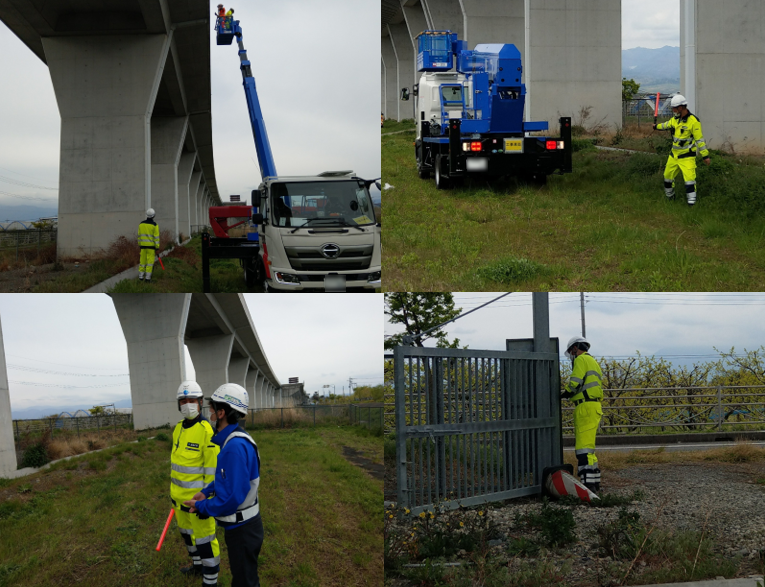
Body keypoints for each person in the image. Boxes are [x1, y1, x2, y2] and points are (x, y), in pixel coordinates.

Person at [184, 384, 263, 587]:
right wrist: (206, 491)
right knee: (245, 577)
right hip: (246, 524)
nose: (209, 415)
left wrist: (201, 506)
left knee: (245, 581)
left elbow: (230, 500)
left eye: (212, 410)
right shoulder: (237, 440)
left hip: (242, 530)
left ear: (221, 413)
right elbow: (226, 478)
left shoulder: (233, 448)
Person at [171, 381, 221, 587]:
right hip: (179, 501)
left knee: (205, 541)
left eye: (192, 400)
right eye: (183, 401)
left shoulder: (206, 431)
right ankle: (197, 566)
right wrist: (174, 496)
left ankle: (210, 581)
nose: (187, 404)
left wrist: (207, 502)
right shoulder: (177, 429)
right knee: (188, 537)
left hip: (199, 503)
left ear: (200, 403)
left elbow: (213, 472)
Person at [561, 336, 603, 493]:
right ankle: (594, 483)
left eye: (571, 351)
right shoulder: (592, 361)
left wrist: (566, 393)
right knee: (590, 448)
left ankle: (587, 485)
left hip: (584, 406)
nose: (571, 354)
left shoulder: (580, 360)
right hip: (594, 406)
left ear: (575, 348)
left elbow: (575, 382)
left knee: (583, 448)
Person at [653, 94, 711, 206]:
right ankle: (670, 199)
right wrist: (656, 127)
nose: (673, 110)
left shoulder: (694, 121)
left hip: (687, 157)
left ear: (681, 107)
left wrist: (705, 156)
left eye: (675, 108)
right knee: (667, 178)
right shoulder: (675, 120)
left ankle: (692, 204)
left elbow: (700, 140)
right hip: (673, 156)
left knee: (689, 181)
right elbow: (666, 125)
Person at [137, 208, 160, 282]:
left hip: (143, 247)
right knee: (149, 263)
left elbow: (139, 236)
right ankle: (147, 278)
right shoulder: (155, 225)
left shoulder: (141, 224)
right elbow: (156, 237)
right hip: (151, 248)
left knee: (142, 262)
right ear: (154, 216)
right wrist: (157, 247)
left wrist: (140, 245)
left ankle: (140, 277)